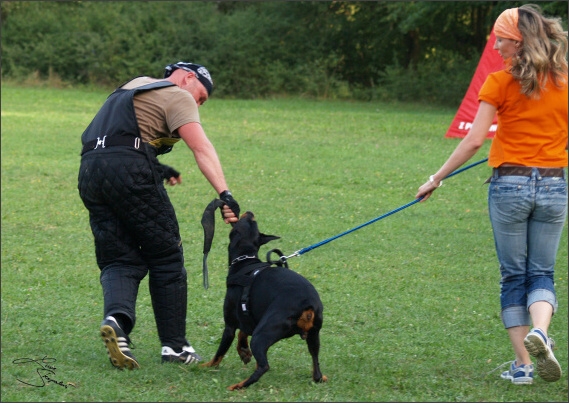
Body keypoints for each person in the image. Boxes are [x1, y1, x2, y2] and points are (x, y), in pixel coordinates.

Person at [415, 4, 567, 385]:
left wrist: (436, 178)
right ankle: (542, 333)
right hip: (553, 185)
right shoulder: (565, 79)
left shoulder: (498, 82)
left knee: (514, 276)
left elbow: (472, 141)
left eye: (500, 38)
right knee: (542, 272)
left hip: (510, 186)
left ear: (517, 43)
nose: (496, 45)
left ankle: (524, 366)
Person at [78, 61, 240, 370]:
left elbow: (114, 139)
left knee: (118, 258)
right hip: (129, 168)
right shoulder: (178, 94)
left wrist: (156, 167)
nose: (198, 104)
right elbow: (201, 148)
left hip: (90, 171)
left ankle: (117, 321)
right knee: (166, 256)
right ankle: (175, 347)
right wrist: (225, 194)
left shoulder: (131, 87)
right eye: (202, 96)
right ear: (188, 78)